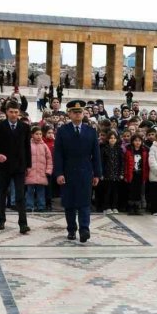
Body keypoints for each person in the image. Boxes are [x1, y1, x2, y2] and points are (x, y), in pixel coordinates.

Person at [53, 100, 101, 242]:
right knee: (69, 203)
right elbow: (58, 154)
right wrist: (59, 173)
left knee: (84, 202)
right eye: (75, 112)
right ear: (69, 114)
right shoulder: (62, 131)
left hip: (85, 171)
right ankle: (72, 229)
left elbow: (96, 154)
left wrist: (97, 173)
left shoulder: (91, 131)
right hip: (68, 171)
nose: (78, 114)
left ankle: (84, 229)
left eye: (80, 112)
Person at [0, 101, 32, 234]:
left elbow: (27, 147)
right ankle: (1, 220)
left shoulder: (24, 127)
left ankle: (23, 223)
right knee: (2, 193)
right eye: (11, 112)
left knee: (20, 195)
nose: (14, 114)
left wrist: (29, 165)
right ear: (6, 112)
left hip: (19, 166)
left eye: (16, 112)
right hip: (3, 165)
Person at [25, 126, 53, 212]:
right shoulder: (28, 145)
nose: (39, 136)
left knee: (41, 191)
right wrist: (26, 169)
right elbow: (25, 158)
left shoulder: (44, 146)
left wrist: (48, 170)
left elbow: (49, 159)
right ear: (32, 135)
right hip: (31, 172)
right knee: (29, 190)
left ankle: (41, 206)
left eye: (40, 134)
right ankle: (29, 206)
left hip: (42, 172)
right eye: (36, 134)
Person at [98, 131, 124, 214]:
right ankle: (107, 207)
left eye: (114, 138)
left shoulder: (119, 149)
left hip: (116, 174)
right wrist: (100, 173)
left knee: (115, 191)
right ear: (108, 139)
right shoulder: (103, 149)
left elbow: (121, 162)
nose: (112, 140)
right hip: (107, 174)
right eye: (111, 138)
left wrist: (121, 173)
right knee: (107, 191)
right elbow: (101, 162)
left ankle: (114, 206)